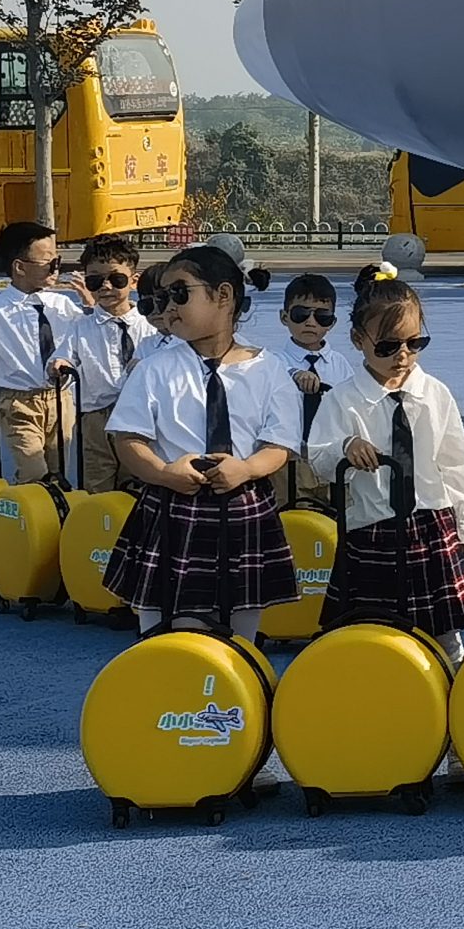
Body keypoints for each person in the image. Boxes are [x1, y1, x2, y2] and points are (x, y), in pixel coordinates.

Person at [101, 244, 303, 638]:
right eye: (162, 297)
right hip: (173, 502)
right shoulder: (154, 369)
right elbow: (128, 438)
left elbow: (279, 445)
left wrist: (246, 468)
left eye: (180, 293)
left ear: (223, 295)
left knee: (241, 621)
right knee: (166, 623)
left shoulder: (270, 369)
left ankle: (234, 673)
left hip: (242, 502)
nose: (168, 307)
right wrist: (163, 472)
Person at [306, 278, 464, 666]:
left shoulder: (435, 393)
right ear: (358, 340)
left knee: (445, 631)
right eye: (387, 346)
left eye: (414, 343)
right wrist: (346, 447)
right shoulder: (343, 399)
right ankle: (379, 689)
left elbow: (457, 464)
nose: (402, 355)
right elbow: (317, 458)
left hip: (432, 523)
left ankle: (454, 684)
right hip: (372, 528)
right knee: (370, 628)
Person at [0, 220, 83, 482]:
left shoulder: (62, 304)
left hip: (60, 398)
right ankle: (25, 501)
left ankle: (47, 504)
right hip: (18, 402)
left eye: (57, 261)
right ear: (20, 267)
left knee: (58, 471)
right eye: (48, 262)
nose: (55, 269)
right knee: (34, 470)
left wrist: (91, 309)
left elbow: (86, 337)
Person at [58, 236, 156, 494]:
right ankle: (98, 518)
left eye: (117, 279)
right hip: (96, 416)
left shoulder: (149, 325)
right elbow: (65, 356)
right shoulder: (80, 326)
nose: (106, 286)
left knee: (137, 479)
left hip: (139, 415)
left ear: (134, 281)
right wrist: (59, 364)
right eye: (95, 281)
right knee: (96, 479)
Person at [276, 273, 357, 501]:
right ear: (284, 317)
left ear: (332, 322)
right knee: (291, 514)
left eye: (322, 316)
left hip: (332, 457)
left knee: (340, 514)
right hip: (290, 458)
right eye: (301, 314)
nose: (311, 322)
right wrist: (295, 375)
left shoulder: (340, 364)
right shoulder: (273, 362)